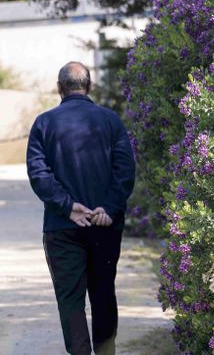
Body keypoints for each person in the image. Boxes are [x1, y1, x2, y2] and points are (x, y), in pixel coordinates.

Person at [26, 61, 136, 355]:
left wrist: (67, 206)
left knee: (70, 301)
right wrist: (108, 208)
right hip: (104, 224)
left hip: (62, 227)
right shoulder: (111, 121)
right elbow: (125, 170)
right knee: (103, 293)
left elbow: (38, 174)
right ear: (89, 87)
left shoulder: (44, 123)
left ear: (59, 88)